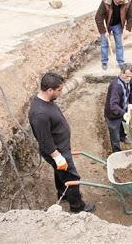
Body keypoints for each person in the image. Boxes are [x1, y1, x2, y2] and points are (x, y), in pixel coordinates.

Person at [28, 72, 96, 213]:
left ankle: (63, 194)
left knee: (61, 172)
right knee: (72, 177)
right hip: (57, 150)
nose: (61, 92)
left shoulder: (46, 102)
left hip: (61, 147)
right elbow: (44, 139)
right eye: (59, 90)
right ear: (50, 90)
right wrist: (57, 156)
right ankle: (78, 207)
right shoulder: (39, 114)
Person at [95, 0, 132, 70]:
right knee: (105, 44)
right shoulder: (106, 2)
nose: (122, 0)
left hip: (118, 25)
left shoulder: (127, 2)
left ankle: (121, 62)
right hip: (107, 25)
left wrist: (128, 29)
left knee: (119, 44)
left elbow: (130, 17)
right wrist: (103, 31)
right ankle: (104, 62)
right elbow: (98, 17)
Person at [104, 63, 132, 153]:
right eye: (127, 76)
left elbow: (130, 91)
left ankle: (123, 137)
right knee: (115, 136)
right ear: (121, 73)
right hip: (112, 115)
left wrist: (131, 103)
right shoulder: (116, 86)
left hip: (123, 110)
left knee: (123, 127)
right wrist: (124, 113)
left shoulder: (128, 81)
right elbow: (113, 105)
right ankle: (116, 152)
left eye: (130, 76)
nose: (129, 79)